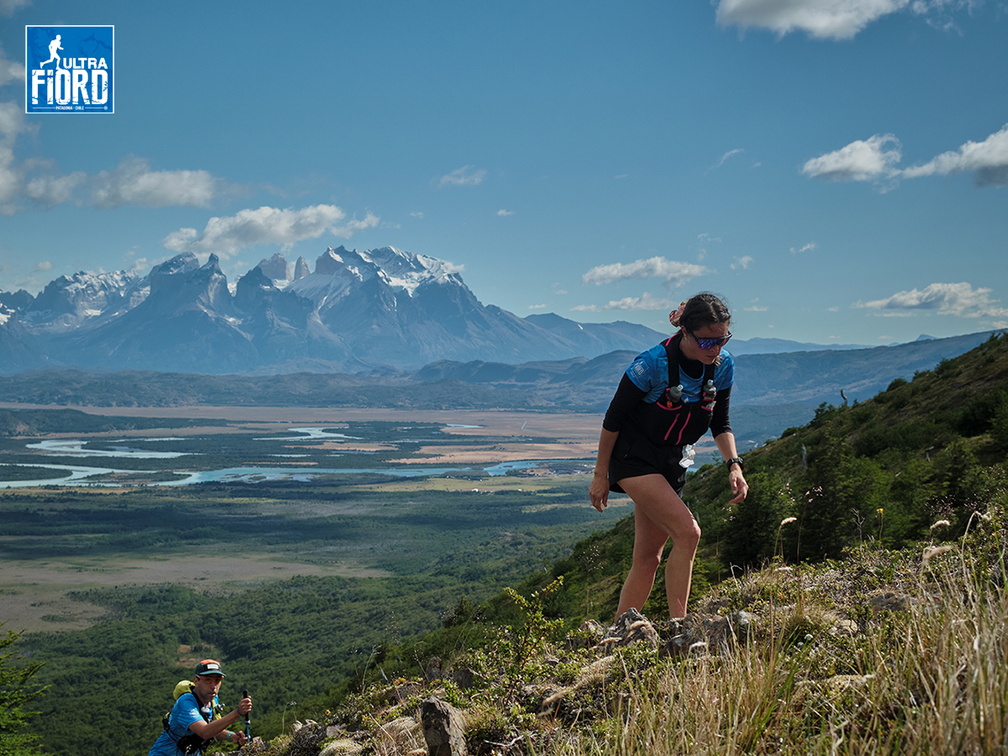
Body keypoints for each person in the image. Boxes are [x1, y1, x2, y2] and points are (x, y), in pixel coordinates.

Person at [589, 292, 749, 619]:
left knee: (649, 558)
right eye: (707, 342)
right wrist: (600, 474)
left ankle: (619, 634)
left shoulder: (723, 365)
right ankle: (680, 626)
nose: (716, 349)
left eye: (722, 340)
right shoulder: (651, 364)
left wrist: (733, 464)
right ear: (686, 333)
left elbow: (721, 422)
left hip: (673, 462)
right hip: (634, 458)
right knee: (689, 532)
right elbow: (614, 419)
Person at [148, 659, 252, 756]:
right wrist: (238, 712)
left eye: (217, 680)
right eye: (207, 680)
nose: (213, 686)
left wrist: (231, 736)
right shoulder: (186, 702)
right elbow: (204, 732)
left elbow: (211, 728)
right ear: (196, 681)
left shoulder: (212, 700)